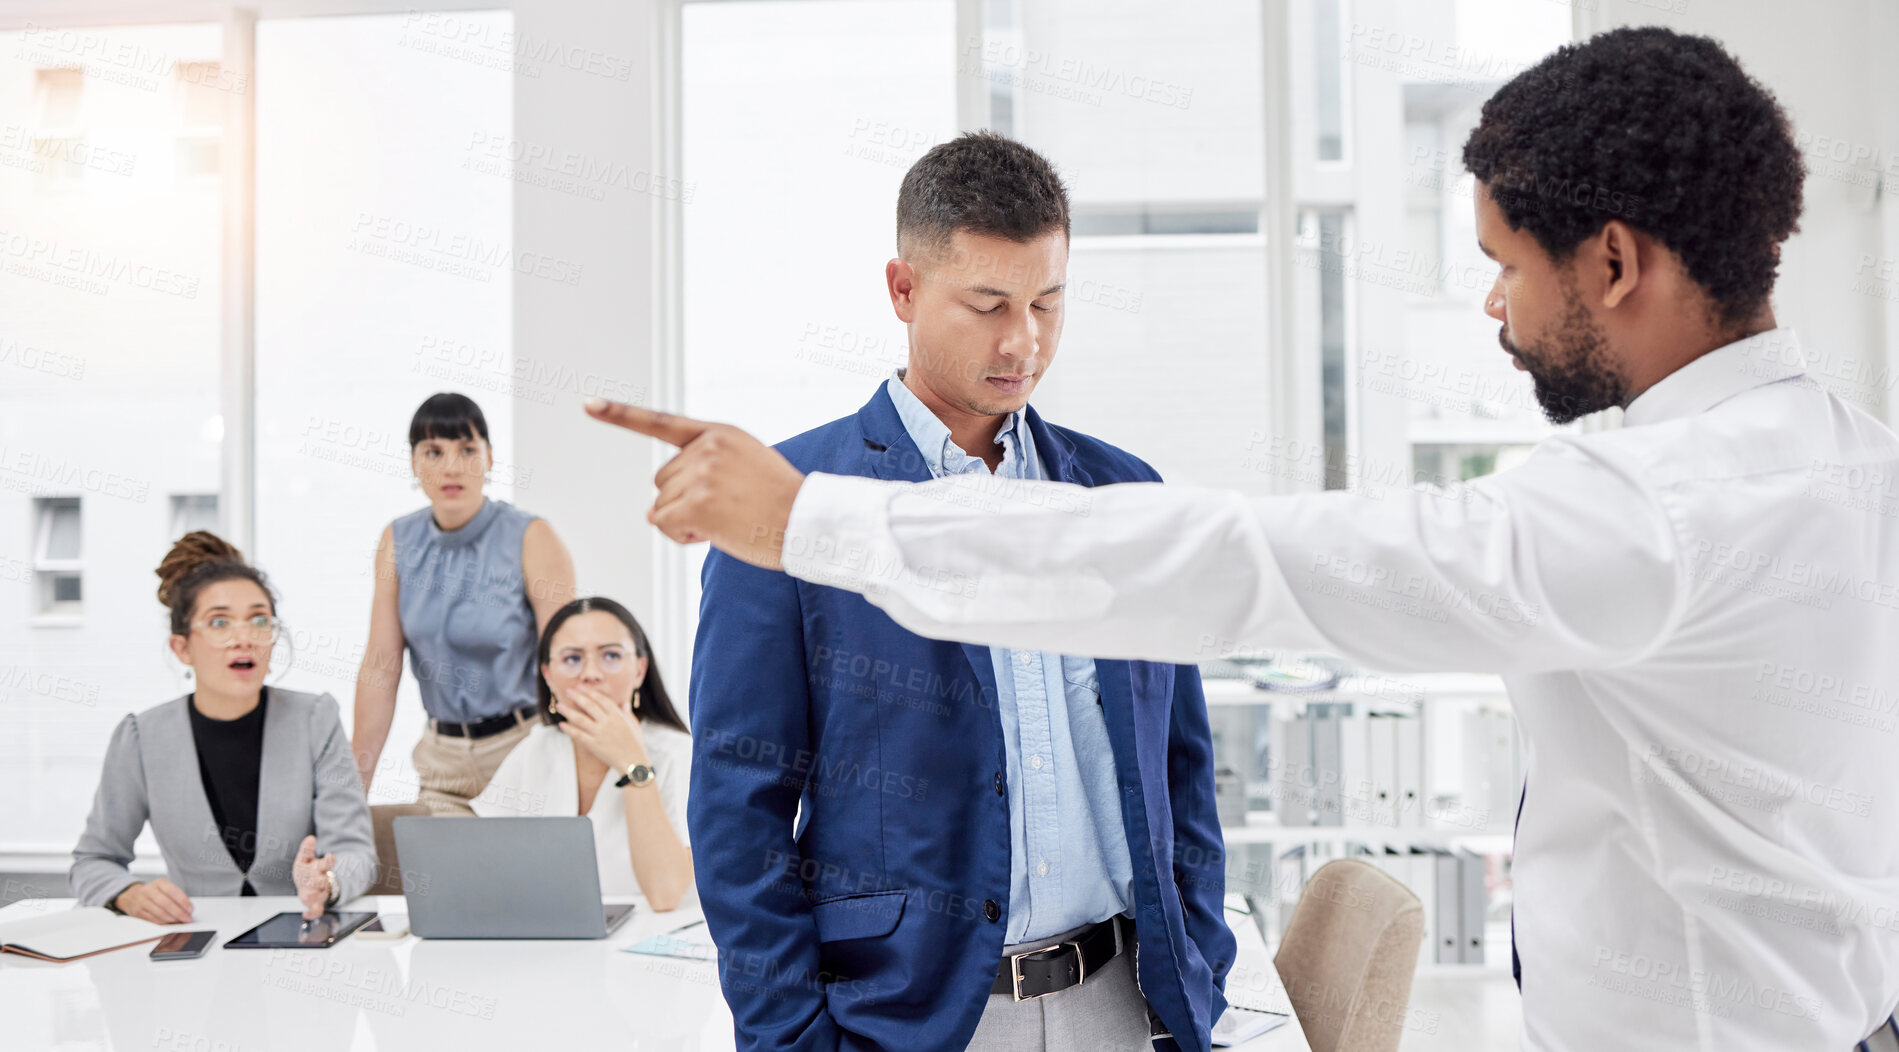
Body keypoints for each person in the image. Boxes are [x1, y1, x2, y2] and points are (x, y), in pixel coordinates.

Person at [589, 27, 1899, 1052]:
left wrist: (811, 521)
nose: (1494, 308)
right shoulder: (1849, 460)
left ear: (1611, 262)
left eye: (1506, 263)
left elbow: (1233, 573)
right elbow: (745, 808)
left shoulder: (1647, 513)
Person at [686, 132, 1232, 1052]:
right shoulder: (791, 504)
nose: (1022, 341)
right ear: (903, 290)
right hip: (908, 1020)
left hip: (1122, 1003)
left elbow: (1179, 766)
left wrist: (1196, 968)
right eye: (986, 305)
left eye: (1047, 303)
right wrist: (790, 1038)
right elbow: (737, 807)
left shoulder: (1123, 494)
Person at [71, 532, 377, 922]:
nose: (243, 638)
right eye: (219, 622)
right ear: (182, 648)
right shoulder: (140, 738)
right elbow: (93, 860)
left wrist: (328, 881)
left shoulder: (315, 719)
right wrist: (128, 894)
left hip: (300, 940)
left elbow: (355, 852)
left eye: (258, 620)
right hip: (193, 943)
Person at [350, 392, 577, 815]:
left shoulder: (531, 537)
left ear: (490, 458)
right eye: (433, 451)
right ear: (414, 463)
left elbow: (568, 661)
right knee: (439, 877)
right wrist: (347, 800)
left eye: (467, 450)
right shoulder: (398, 541)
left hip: (523, 749)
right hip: (443, 761)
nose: (451, 466)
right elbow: (381, 668)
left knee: (526, 880)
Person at [471, 597, 694, 910]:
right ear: (548, 675)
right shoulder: (537, 747)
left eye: (611, 655)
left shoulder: (678, 754)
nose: (591, 673)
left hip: (649, 942)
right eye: (572, 659)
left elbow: (665, 894)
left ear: (640, 671)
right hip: (556, 945)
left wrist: (632, 762)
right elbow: (483, 870)